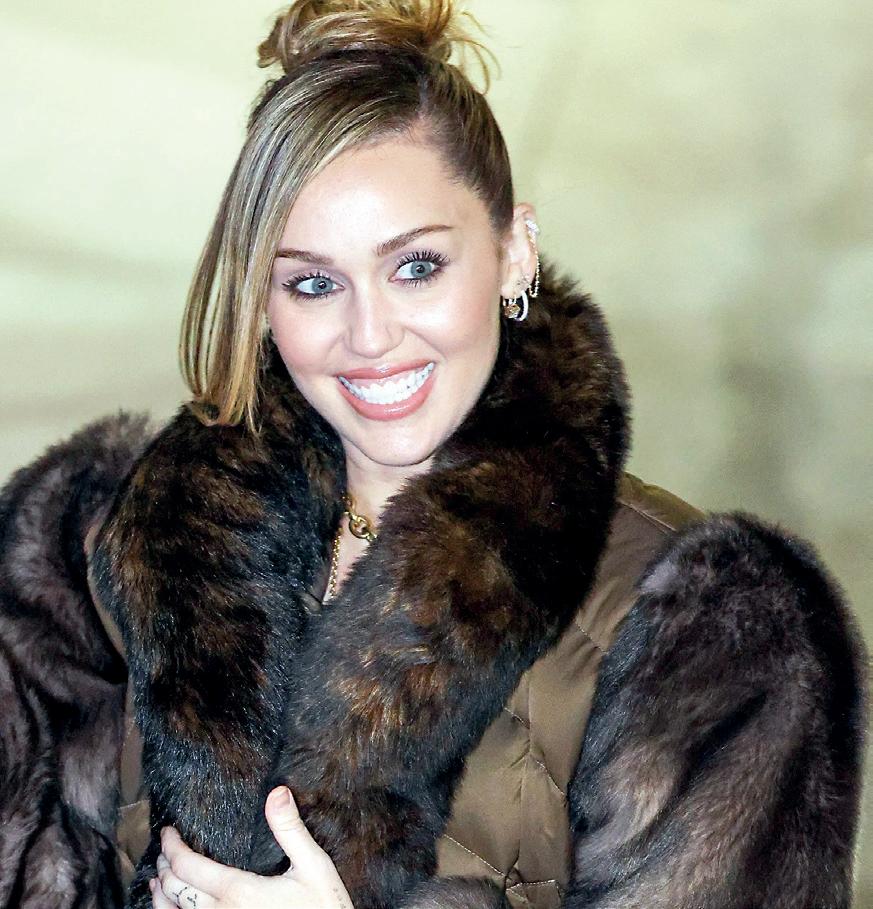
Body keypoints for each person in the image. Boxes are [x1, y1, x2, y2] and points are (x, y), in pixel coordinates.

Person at [0, 2, 867, 908]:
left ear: (513, 253)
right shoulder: (100, 557)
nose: (370, 335)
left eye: (415, 267)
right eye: (313, 282)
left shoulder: (714, 630)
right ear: (260, 301)